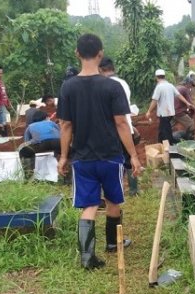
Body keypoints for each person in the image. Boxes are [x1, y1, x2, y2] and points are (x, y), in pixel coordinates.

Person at [57, 34, 142, 269]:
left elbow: (65, 125)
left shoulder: (68, 87)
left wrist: (64, 157)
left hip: (82, 158)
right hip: (110, 157)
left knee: (90, 205)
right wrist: (133, 155)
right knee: (114, 200)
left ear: (77, 54)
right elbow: (122, 123)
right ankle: (114, 244)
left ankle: (87, 257)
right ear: (101, 53)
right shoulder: (112, 87)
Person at [99, 56, 141, 196]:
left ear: (100, 69)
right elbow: (125, 110)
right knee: (128, 159)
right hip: (125, 128)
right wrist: (130, 126)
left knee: (109, 161)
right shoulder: (123, 83)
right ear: (113, 68)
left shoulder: (101, 84)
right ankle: (134, 190)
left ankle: (112, 191)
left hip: (108, 131)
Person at [145, 69, 194, 145]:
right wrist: (187, 103)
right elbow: (179, 95)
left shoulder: (159, 87)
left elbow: (154, 100)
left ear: (156, 77)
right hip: (171, 113)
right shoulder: (170, 85)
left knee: (165, 132)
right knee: (163, 130)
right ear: (164, 76)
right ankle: (161, 143)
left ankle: (168, 146)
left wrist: (149, 111)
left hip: (164, 114)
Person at [19, 110, 60, 179]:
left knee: (24, 151)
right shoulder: (51, 123)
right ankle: (68, 177)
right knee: (69, 153)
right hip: (57, 142)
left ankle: (29, 176)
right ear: (46, 117)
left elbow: (26, 140)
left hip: (41, 144)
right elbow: (60, 133)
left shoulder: (30, 126)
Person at [172, 77, 195, 142]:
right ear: (188, 83)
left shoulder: (177, 87)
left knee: (171, 126)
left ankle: (167, 138)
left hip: (172, 111)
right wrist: (194, 107)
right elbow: (190, 104)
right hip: (179, 112)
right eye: (191, 85)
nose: (191, 87)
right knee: (191, 124)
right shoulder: (185, 89)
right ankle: (190, 141)